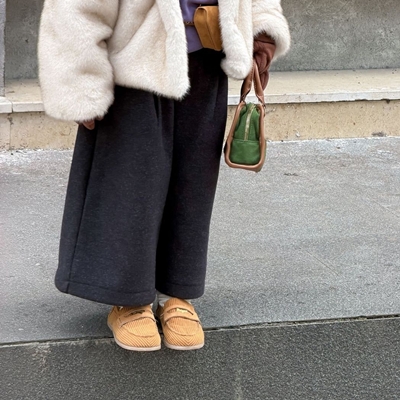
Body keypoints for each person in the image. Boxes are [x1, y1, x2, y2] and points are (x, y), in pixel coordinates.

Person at [38, 0, 290, 352]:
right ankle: (128, 299)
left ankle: (177, 293)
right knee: (129, 182)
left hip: (207, 54)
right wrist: (79, 77)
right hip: (133, 59)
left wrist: (261, 29)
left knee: (193, 183)